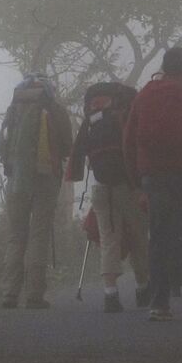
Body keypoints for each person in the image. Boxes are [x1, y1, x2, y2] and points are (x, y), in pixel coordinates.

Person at [122, 47, 182, 321]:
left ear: (164, 66)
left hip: (153, 176)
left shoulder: (144, 96)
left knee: (159, 237)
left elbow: (128, 141)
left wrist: (138, 182)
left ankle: (159, 302)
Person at [67, 81, 147, 313]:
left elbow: (77, 153)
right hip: (129, 185)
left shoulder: (92, 120)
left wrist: (76, 176)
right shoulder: (125, 116)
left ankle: (110, 294)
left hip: (101, 187)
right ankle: (143, 288)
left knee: (108, 239)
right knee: (139, 236)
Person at [0, 74, 74, 309]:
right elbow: (68, 146)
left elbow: (1, 144)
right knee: (39, 235)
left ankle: (9, 293)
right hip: (46, 178)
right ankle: (34, 295)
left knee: (16, 236)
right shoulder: (55, 109)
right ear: (48, 90)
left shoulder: (14, 108)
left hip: (17, 179)